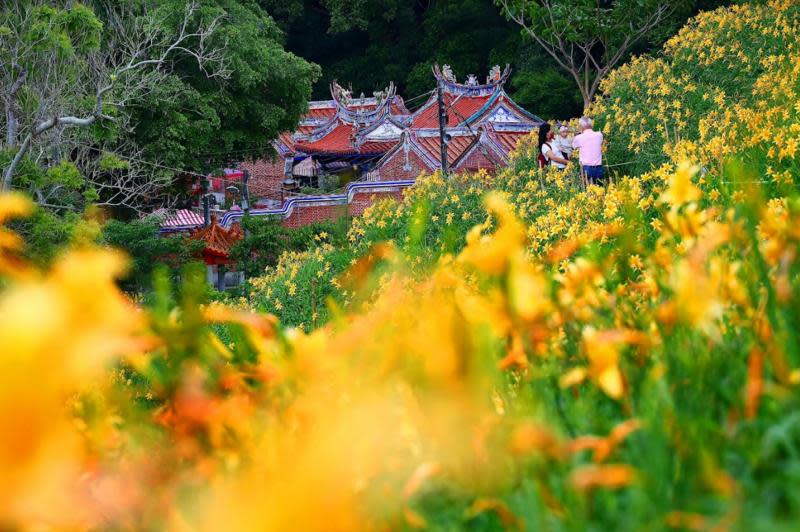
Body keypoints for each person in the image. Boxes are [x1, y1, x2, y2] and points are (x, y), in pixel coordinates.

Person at [572, 116, 604, 184]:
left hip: (586, 168)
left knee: (588, 191)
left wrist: (577, 135)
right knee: (600, 190)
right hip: (599, 167)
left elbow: (573, 146)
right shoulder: (599, 135)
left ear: (581, 127)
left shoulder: (578, 138)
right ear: (591, 125)